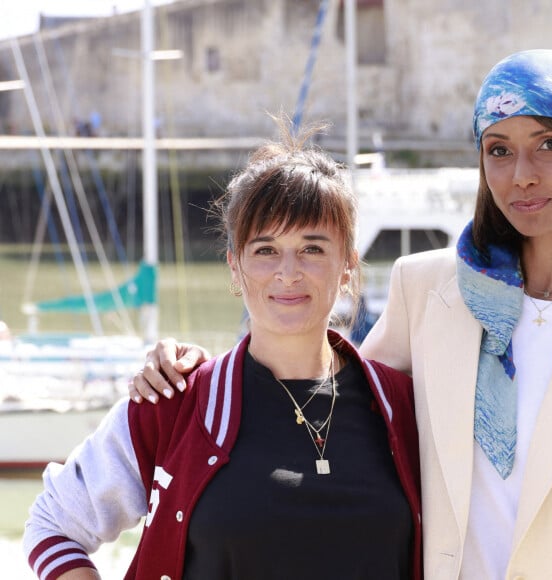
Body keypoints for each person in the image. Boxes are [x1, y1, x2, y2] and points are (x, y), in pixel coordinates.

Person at [130, 48, 552, 579]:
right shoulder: (428, 289)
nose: (522, 174)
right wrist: (196, 377)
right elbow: (321, 392)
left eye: (550, 144)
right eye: (498, 149)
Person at [23, 118, 422, 580]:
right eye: (265, 249)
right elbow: (53, 523)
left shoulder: (401, 406)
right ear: (235, 268)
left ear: (348, 265)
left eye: (312, 248)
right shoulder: (174, 402)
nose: (288, 272)